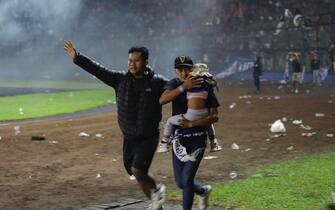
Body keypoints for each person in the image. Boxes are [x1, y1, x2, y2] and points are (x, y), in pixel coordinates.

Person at [64, 41, 167, 210]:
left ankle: (158, 190)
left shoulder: (158, 82)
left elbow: (177, 89)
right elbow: (98, 70)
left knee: (138, 170)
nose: (132, 64)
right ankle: (156, 204)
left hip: (148, 136)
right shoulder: (120, 80)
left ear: (146, 62)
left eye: (136, 61)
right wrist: (78, 58)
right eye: (130, 61)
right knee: (135, 172)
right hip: (129, 137)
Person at [159, 56, 220, 210]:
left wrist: (193, 123)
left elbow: (214, 116)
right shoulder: (175, 83)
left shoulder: (204, 85)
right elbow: (162, 100)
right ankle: (203, 191)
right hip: (179, 139)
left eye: (187, 69)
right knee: (180, 182)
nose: (184, 72)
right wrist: (183, 87)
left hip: (198, 138)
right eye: (180, 69)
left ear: (193, 69)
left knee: (186, 180)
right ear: (175, 71)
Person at [157, 64, 222, 153]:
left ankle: (164, 143)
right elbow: (214, 115)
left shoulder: (189, 87)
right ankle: (213, 142)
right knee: (208, 122)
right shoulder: (208, 87)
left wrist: (182, 89)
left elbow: (183, 99)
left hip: (190, 116)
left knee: (170, 121)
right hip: (204, 115)